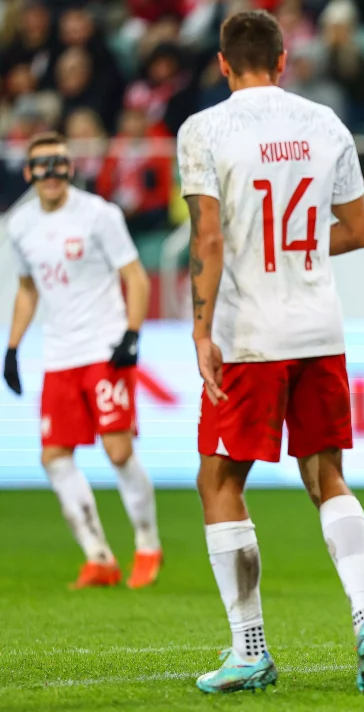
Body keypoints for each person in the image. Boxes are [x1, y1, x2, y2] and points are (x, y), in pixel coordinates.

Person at [176, 10, 364, 694]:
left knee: (219, 481)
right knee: (326, 474)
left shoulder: (204, 130)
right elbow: (356, 230)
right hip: (319, 328)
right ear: (284, 58)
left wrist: (200, 329)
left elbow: (207, 238)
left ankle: (251, 649)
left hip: (248, 333)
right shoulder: (326, 123)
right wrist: (292, 245)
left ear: (222, 63)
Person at [4, 131, 162, 590]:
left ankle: (148, 545)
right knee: (53, 456)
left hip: (103, 346)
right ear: (29, 171)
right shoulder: (19, 224)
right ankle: (98, 557)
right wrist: (12, 347)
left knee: (118, 450)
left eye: (59, 163)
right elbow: (29, 288)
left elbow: (135, 275)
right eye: (42, 165)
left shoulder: (99, 214)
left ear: (70, 168)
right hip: (59, 353)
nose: (51, 173)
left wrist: (131, 334)